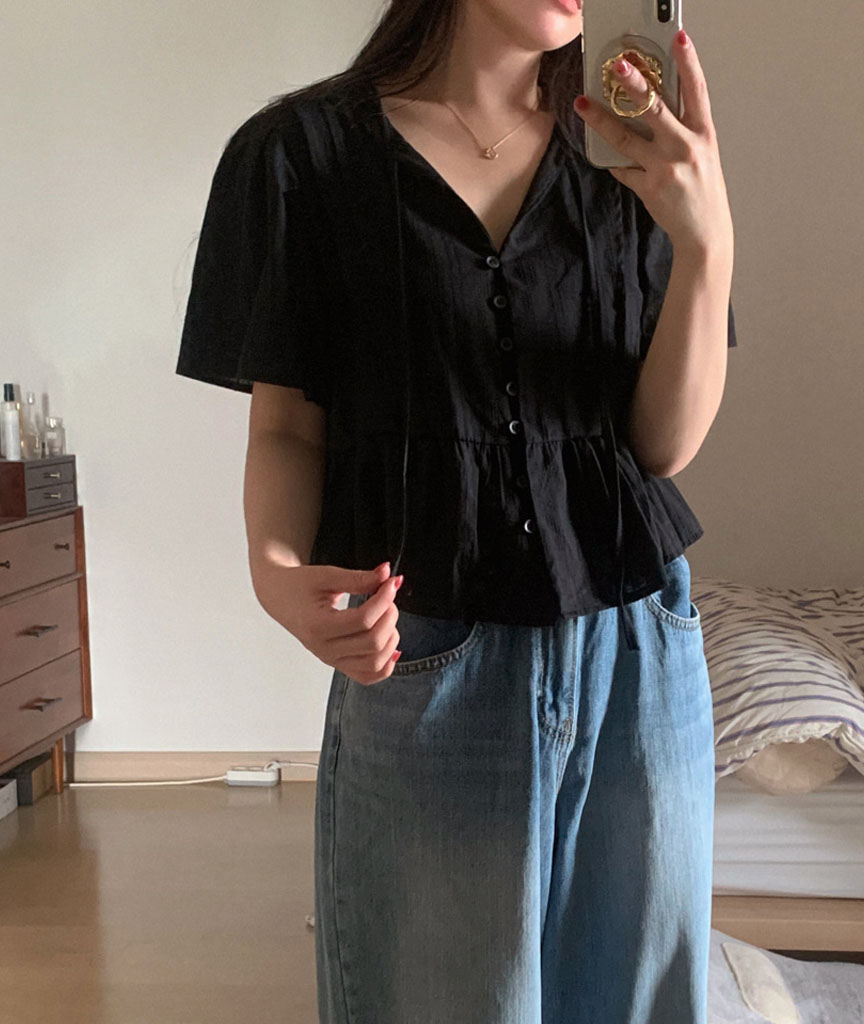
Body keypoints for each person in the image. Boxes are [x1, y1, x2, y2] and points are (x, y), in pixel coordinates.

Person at [176, 1, 737, 1020]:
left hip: (636, 650)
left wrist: (708, 244)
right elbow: (288, 427)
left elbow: (661, 446)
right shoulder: (297, 157)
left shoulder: (629, 151)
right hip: (424, 649)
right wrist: (275, 574)